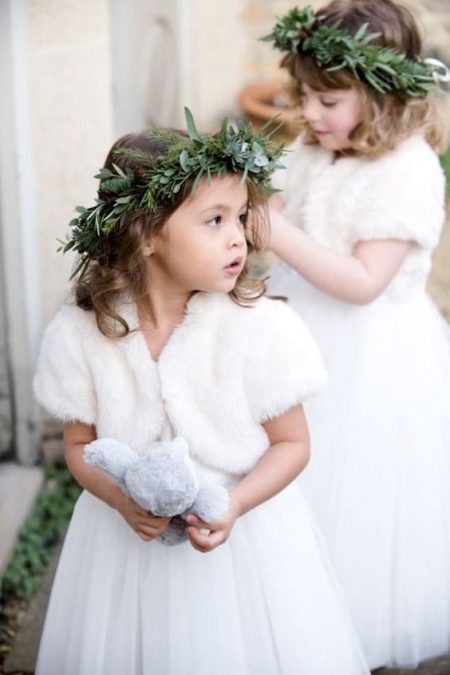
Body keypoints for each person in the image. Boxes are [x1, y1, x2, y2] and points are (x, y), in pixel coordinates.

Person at [33, 109, 369, 675]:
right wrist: (118, 499)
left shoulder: (259, 326)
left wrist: (234, 504)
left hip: (242, 542)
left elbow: (292, 444)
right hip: (124, 550)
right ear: (145, 237)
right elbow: (79, 445)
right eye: (214, 220)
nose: (239, 236)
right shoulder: (84, 331)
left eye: (240, 216)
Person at [263, 0, 450, 670]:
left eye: (330, 99)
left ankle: (345, 629)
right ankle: (289, 614)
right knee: (286, 480)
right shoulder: (313, 148)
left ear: (383, 96)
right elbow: (276, 204)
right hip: (296, 336)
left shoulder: (407, 169)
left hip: (372, 361)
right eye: (304, 95)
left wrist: (275, 231)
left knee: (356, 499)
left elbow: (364, 280)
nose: (311, 113)